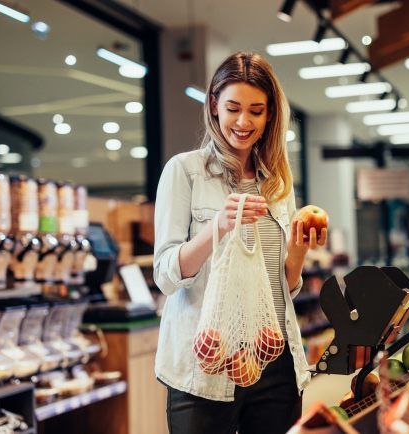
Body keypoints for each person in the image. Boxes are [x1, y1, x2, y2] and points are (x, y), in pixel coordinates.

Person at [153, 51, 328, 434]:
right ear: (214, 106)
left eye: (256, 110)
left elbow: (284, 283)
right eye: (233, 108)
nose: (243, 122)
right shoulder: (185, 172)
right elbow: (165, 276)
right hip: (207, 363)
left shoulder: (277, 183)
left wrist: (299, 246)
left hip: (274, 357)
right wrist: (217, 226)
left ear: (269, 117)